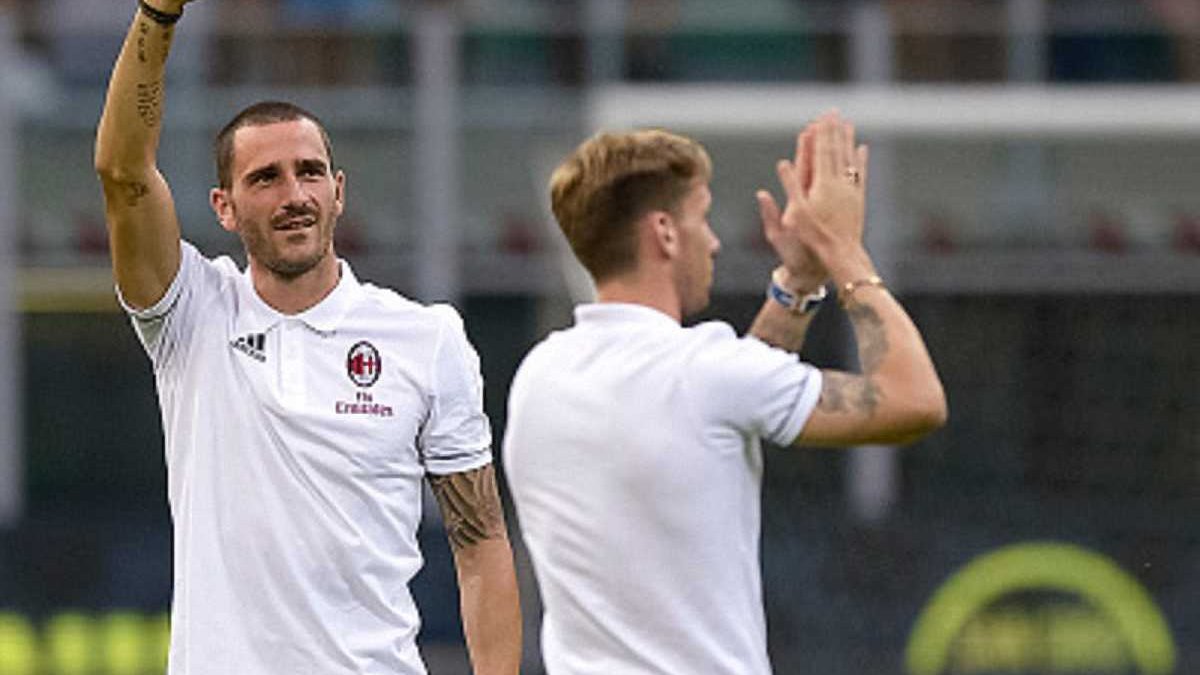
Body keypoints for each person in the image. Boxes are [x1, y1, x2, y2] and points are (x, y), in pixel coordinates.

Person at [93, 1, 520, 673]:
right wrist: (158, 15)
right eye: (265, 178)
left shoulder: (426, 337)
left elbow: (481, 541)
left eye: (310, 171)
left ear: (338, 191)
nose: (294, 194)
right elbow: (123, 173)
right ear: (224, 206)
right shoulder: (191, 313)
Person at [502, 113, 947, 674]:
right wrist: (844, 252)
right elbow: (915, 400)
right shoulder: (705, 371)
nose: (713, 242)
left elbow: (721, 401)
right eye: (702, 217)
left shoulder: (540, 376)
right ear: (665, 232)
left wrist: (797, 283)